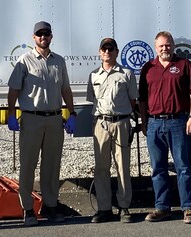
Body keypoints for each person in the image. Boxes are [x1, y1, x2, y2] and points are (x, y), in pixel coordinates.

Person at [7, 21, 76, 226]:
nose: (43, 37)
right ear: (33, 37)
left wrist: (72, 113)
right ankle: (27, 209)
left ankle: (50, 205)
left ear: (51, 37)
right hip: (31, 118)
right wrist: (11, 113)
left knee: (52, 165)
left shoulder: (59, 62)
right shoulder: (24, 61)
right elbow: (13, 90)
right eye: (39, 34)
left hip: (55, 119)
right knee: (28, 164)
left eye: (46, 34)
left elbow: (65, 89)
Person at [139, 31, 191, 224]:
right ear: (155, 47)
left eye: (168, 45)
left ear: (173, 45)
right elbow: (142, 98)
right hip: (154, 123)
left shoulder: (185, 65)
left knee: (183, 167)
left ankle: (188, 208)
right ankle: (162, 208)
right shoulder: (148, 68)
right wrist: (144, 121)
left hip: (178, 122)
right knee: (158, 168)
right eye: (161, 46)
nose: (165, 48)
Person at [86, 38, 139, 223]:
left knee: (123, 166)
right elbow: (92, 99)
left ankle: (124, 207)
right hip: (101, 124)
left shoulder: (126, 73)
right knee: (101, 168)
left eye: (111, 49)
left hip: (121, 123)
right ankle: (104, 208)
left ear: (117, 52)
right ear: (100, 52)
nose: (107, 52)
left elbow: (133, 100)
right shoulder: (93, 75)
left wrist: (121, 114)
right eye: (104, 49)